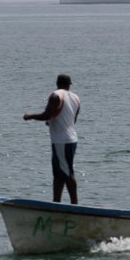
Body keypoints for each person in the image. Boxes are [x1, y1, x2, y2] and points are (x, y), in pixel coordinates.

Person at [23, 74, 81, 204]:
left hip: (62, 141)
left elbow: (46, 115)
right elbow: (72, 120)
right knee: (58, 174)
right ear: (69, 84)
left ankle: (75, 204)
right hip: (69, 139)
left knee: (67, 172)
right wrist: (52, 121)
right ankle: (56, 202)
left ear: (57, 83)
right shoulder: (76, 98)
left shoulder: (55, 95)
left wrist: (30, 116)